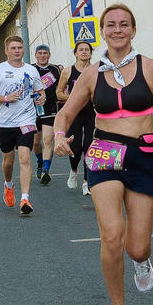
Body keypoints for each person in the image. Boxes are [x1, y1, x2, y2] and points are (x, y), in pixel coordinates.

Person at [50, 4, 153, 305]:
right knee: (112, 235)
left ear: (133, 30)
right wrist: (59, 135)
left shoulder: (149, 67)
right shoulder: (91, 75)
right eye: (110, 25)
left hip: (142, 156)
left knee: (137, 247)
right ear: (102, 32)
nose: (117, 30)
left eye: (124, 24)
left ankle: (141, 261)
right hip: (104, 154)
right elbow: (65, 114)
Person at [0, 34, 40, 216]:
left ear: (24, 50)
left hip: (27, 120)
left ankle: (25, 198)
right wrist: (6, 98)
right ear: (6, 51)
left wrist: (41, 98)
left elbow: (40, 91)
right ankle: (8, 184)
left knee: (25, 158)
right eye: (13, 48)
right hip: (5, 123)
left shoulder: (32, 70)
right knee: (8, 161)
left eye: (20, 48)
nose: (17, 51)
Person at [59, 39, 98, 192]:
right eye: (81, 49)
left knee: (90, 147)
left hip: (91, 113)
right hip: (74, 113)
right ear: (75, 53)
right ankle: (74, 170)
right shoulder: (68, 71)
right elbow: (59, 92)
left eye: (87, 50)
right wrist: (72, 99)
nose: (84, 52)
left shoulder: (97, 71)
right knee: (75, 147)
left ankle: (86, 182)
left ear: (91, 53)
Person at [31, 43, 61, 185]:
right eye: (40, 53)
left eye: (45, 53)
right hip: (34, 110)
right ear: (36, 55)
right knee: (36, 143)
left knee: (48, 140)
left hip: (50, 109)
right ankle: (40, 161)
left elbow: (62, 86)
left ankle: (46, 171)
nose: (42, 56)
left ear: (49, 55)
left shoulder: (55, 70)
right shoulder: (30, 69)